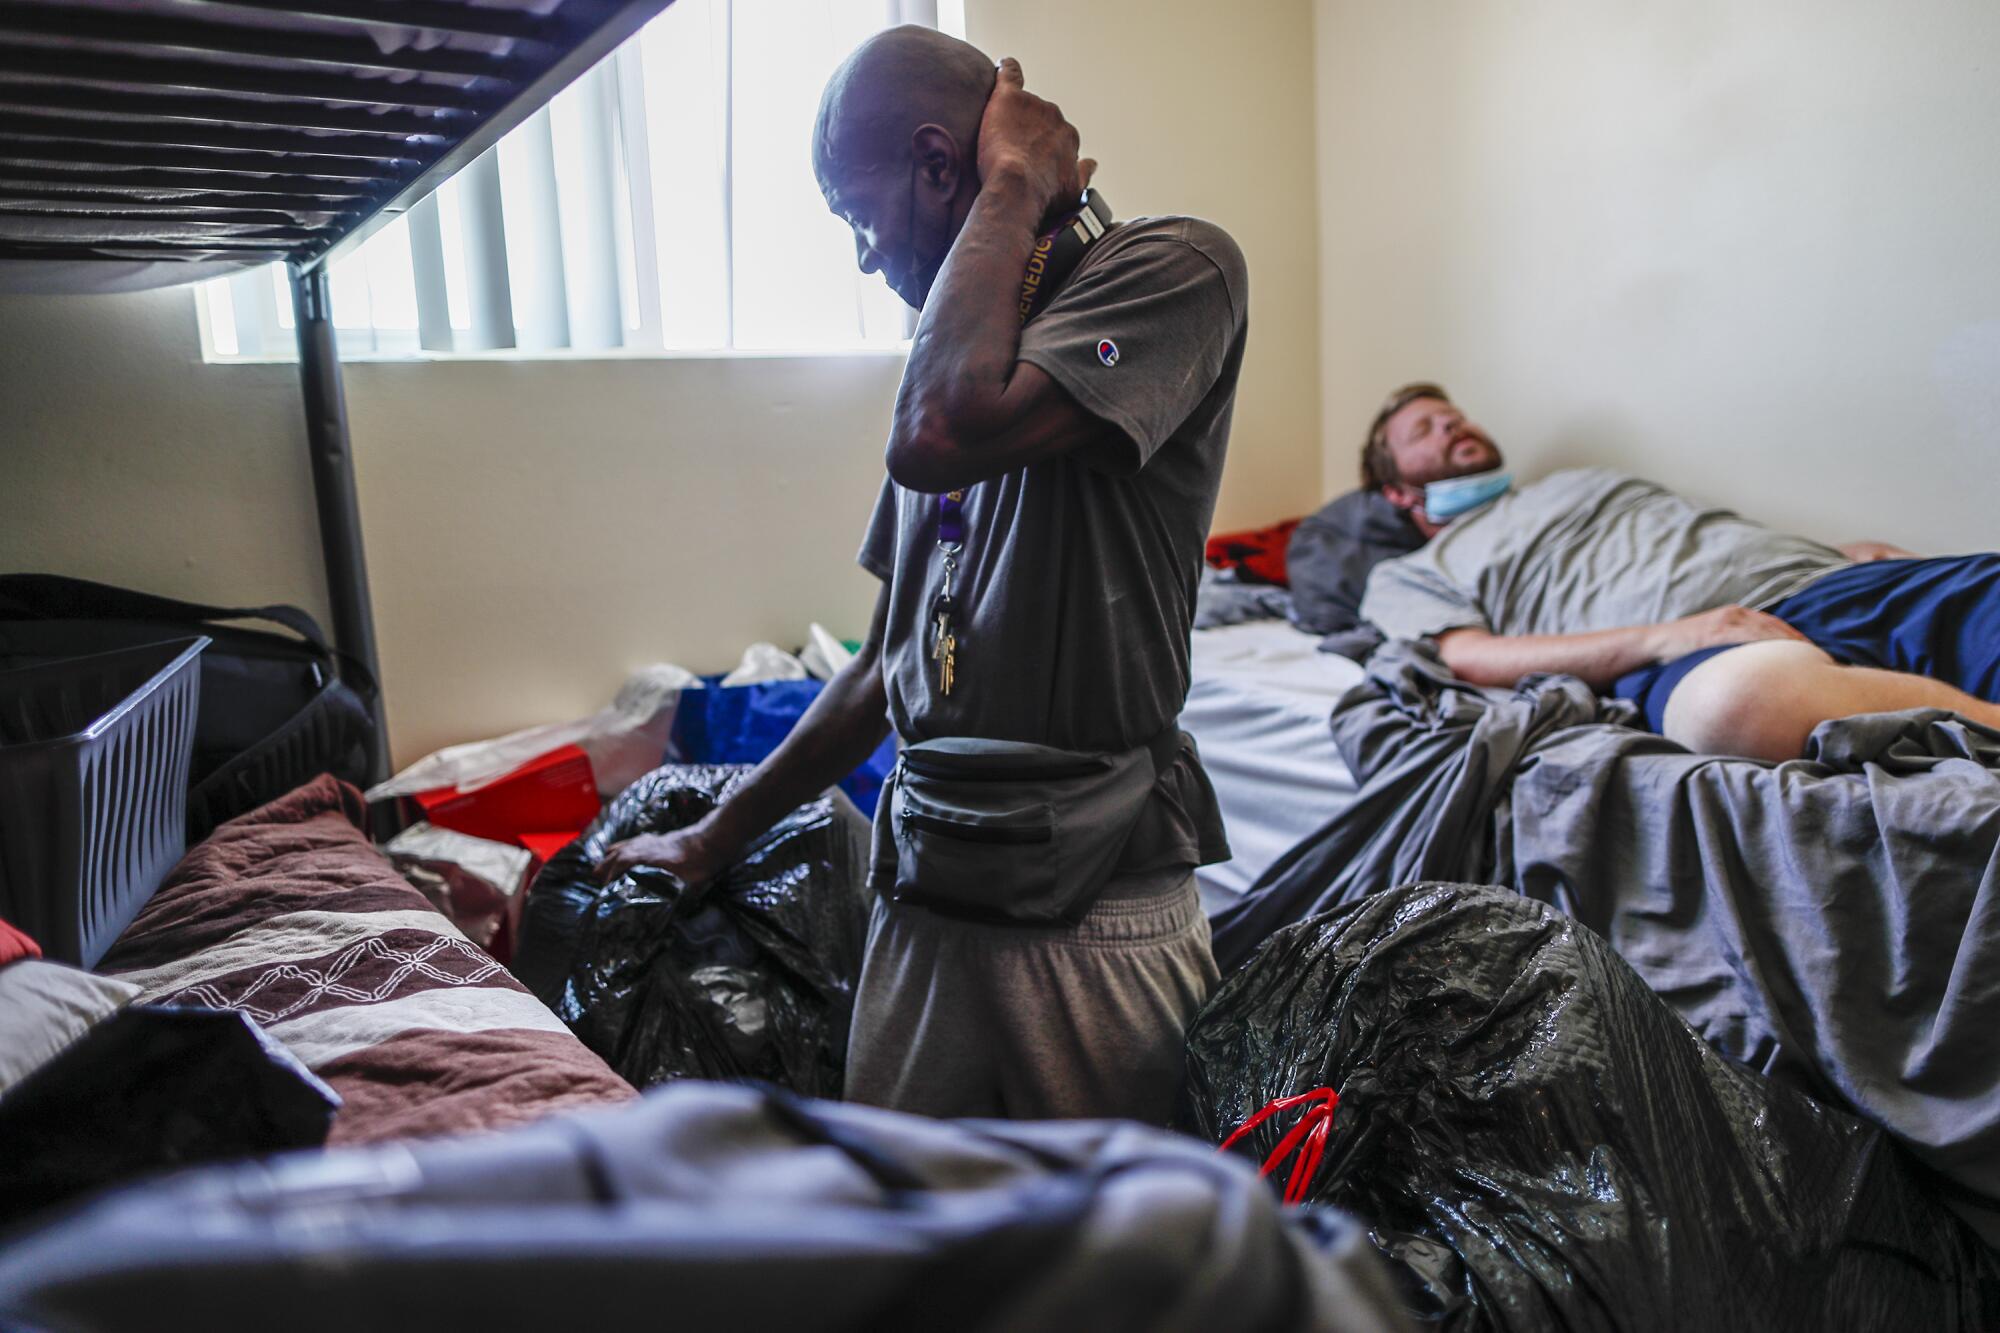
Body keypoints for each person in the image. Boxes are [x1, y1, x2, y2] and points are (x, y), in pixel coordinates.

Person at [598, 26, 1246, 1123]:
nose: (861, 257)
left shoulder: (1174, 268)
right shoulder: (964, 347)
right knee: (909, 1252)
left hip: (1090, 912)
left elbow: (939, 429)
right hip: (926, 891)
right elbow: (880, 668)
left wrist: (1010, 182)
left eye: (859, 220)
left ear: (942, 163)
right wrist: (712, 838)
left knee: (1131, 1274)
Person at [1353, 382, 2000, 762]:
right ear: (1397, 492)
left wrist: (1839, 551)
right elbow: (1469, 656)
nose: (1454, 425)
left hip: (1828, 579)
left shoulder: (1579, 482)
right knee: (1734, 708)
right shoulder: (1412, 570)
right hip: (1702, 648)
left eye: (1456, 415)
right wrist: (1674, 636)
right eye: (1425, 430)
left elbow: (1699, 540)